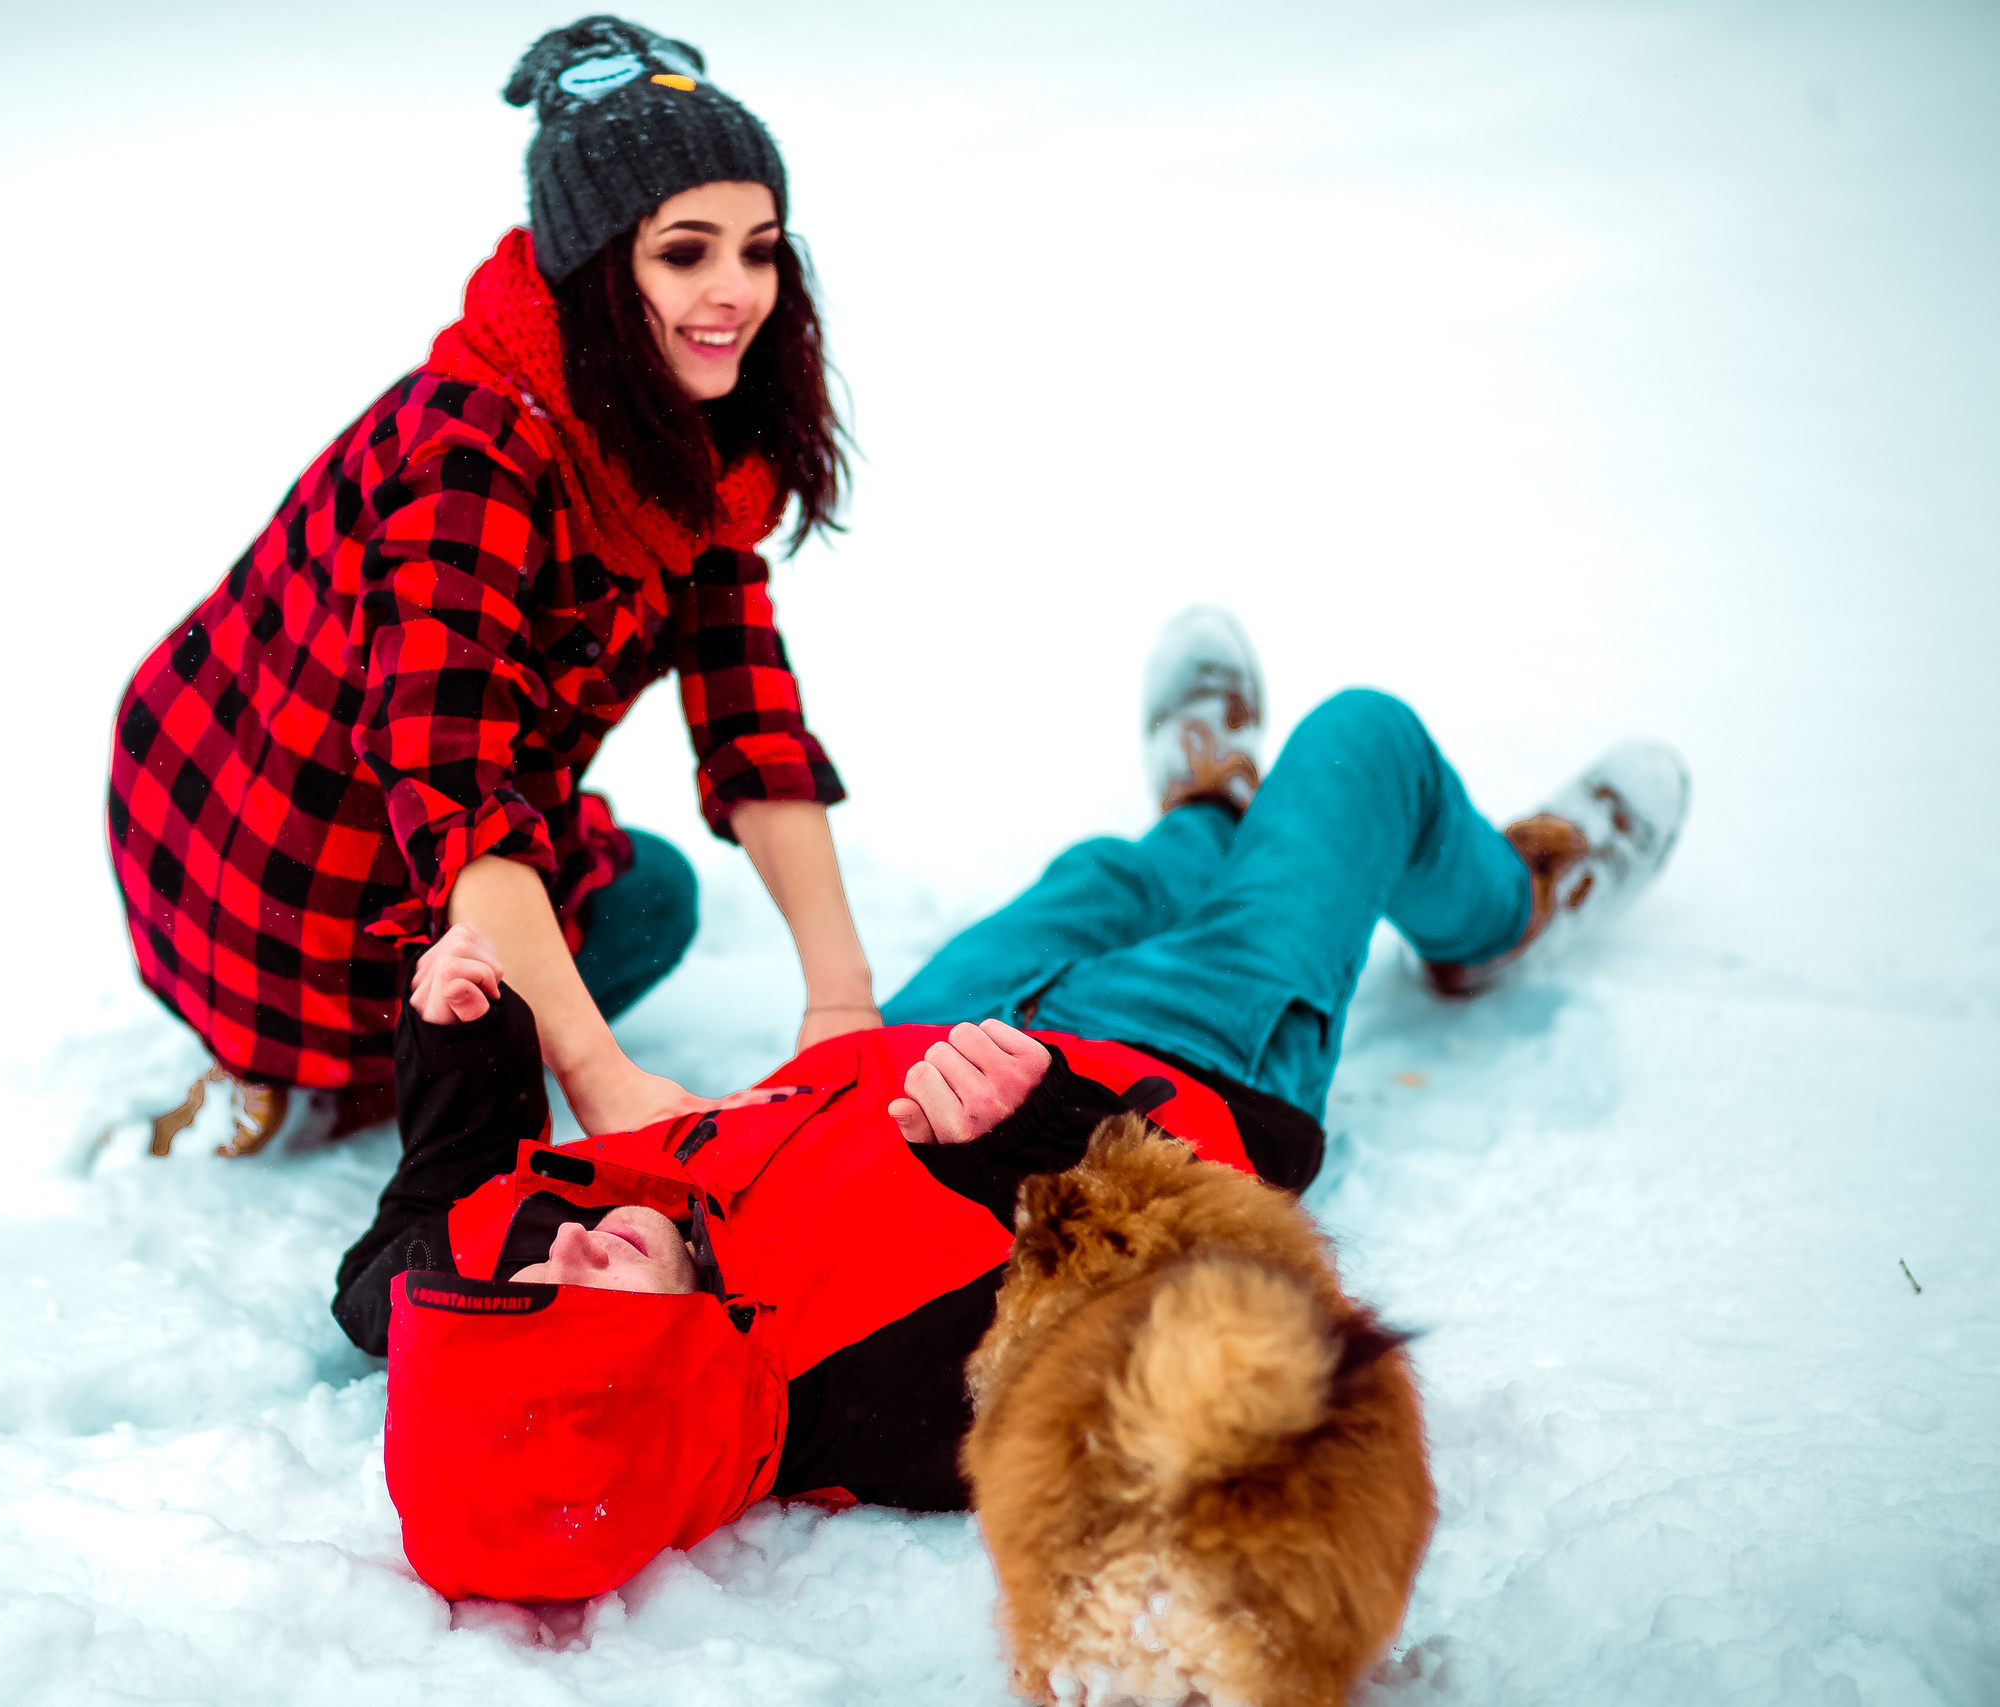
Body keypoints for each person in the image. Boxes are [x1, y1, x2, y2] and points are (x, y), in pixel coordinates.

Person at [335, 604, 1691, 1603]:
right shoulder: (900, 1404)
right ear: (650, 1405)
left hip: (928, 1022)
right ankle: (1502, 909)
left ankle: (1208, 810)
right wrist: (1041, 1140)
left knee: (1110, 870)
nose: (562, 1245)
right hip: (1181, 1062)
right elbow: (1214, 1294)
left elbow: (410, 1239)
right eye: (577, 1302)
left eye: (533, 1270)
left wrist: (461, 1043)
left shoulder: (524, 1277)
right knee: (1362, 742)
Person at [107, 16, 873, 1159]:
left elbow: (750, 718)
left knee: (596, 869)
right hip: (256, 861)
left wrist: (844, 1010)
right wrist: (599, 1081)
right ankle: (318, 1065)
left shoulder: (683, 447)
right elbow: (452, 786)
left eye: (759, 249)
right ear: (594, 264)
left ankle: (365, 1045)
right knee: (647, 896)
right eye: (684, 252)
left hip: (330, 829)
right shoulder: (471, 447)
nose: (735, 292)